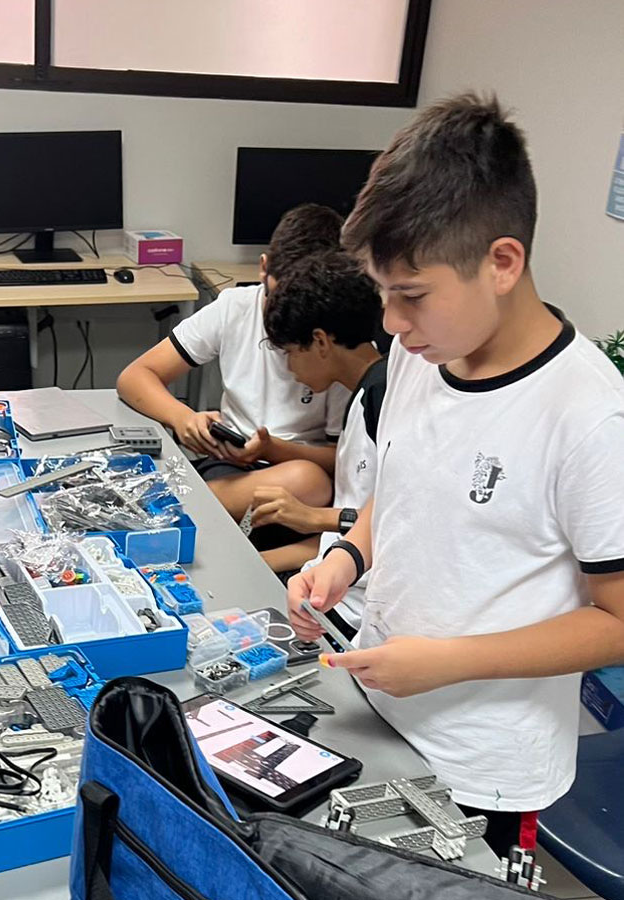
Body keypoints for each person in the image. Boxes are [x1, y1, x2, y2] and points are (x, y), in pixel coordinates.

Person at [288, 93, 624, 859]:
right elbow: (403, 487)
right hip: (377, 706)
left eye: (411, 296)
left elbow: (620, 621)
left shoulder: (590, 417)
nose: (391, 324)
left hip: (483, 766)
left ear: (502, 263)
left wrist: (445, 664)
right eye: (383, 294)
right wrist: (344, 557)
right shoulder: (418, 354)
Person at [116, 204, 348, 523]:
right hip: (230, 467)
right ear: (264, 269)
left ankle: (175, 509)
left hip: (298, 475)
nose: (286, 317)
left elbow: (344, 459)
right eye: (279, 299)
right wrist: (183, 418)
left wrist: (271, 450)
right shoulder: (235, 308)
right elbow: (135, 377)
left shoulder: (337, 341)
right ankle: (179, 509)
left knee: (310, 480)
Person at [258, 250, 385, 640]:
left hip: (352, 609)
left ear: (320, 341)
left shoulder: (380, 400)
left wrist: (313, 518)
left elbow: (388, 519)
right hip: (330, 580)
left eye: (292, 354)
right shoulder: (366, 390)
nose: (291, 369)